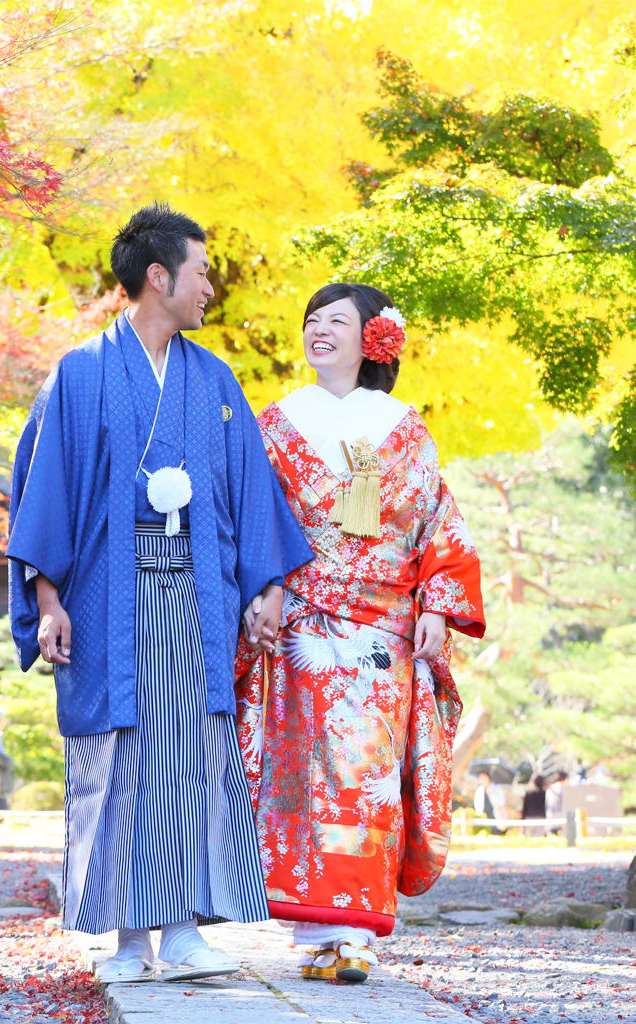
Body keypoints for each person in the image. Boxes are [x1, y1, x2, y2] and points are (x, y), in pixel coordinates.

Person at [7, 203, 312, 984]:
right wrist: (48, 600)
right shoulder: (80, 373)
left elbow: (251, 486)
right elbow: (45, 492)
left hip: (192, 588)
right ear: (157, 276)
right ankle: (124, 941)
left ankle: (182, 932)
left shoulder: (211, 378)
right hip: (107, 589)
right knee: (116, 755)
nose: (209, 286)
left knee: (186, 753)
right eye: (201, 271)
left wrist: (268, 583)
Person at [234, 282, 485, 984]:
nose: (319, 331)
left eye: (337, 321)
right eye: (312, 320)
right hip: (300, 620)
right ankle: (317, 933)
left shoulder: (404, 426)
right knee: (300, 773)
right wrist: (266, 589)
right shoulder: (276, 421)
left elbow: (440, 523)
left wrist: (437, 604)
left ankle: (355, 931)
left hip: (382, 629)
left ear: (373, 337)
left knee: (366, 774)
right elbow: (254, 517)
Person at [473, 770, 506, 835]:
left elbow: (501, 802)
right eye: (480, 778)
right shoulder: (479, 790)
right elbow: (476, 805)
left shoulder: (496, 788)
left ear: (488, 777)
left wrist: (492, 795)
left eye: (483, 777)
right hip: (483, 819)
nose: (482, 780)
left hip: (496, 818)